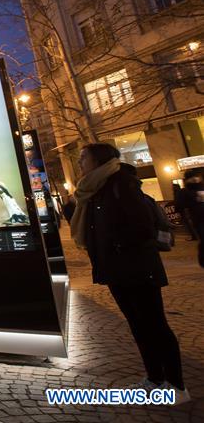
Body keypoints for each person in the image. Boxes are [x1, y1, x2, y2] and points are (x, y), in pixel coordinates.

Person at [69, 143, 189, 404]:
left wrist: (117, 246)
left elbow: (142, 226)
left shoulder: (121, 184)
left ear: (98, 160)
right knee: (138, 326)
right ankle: (154, 378)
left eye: (83, 158)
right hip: (117, 269)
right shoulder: (94, 189)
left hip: (137, 267)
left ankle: (177, 386)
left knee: (155, 325)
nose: (79, 163)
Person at [176, 168, 203, 250]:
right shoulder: (184, 192)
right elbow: (179, 206)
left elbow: (179, 206)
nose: (195, 179)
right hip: (198, 219)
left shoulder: (186, 191)